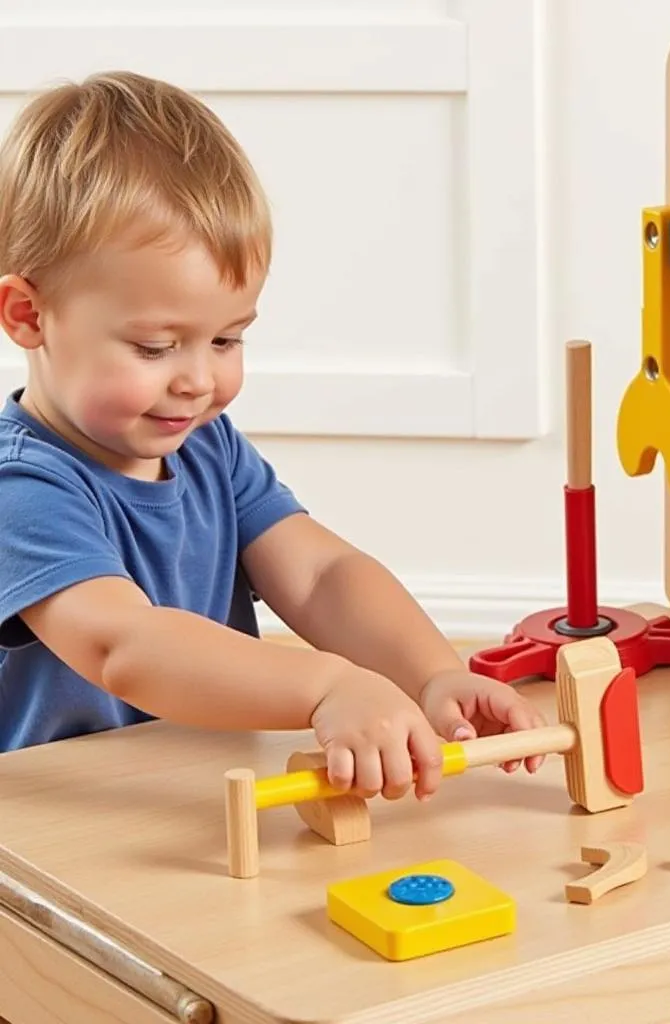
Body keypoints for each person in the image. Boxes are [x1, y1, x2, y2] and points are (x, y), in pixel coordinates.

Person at [0, 70, 547, 801]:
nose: (198, 381)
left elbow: (321, 577)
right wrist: (324, 684)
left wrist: (429, 672)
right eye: (157, 347)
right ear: (28, 316)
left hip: (192, 787)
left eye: (226, 339)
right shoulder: (23, 486)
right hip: (62, 816)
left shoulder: (207, 447)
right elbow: (123, 645)